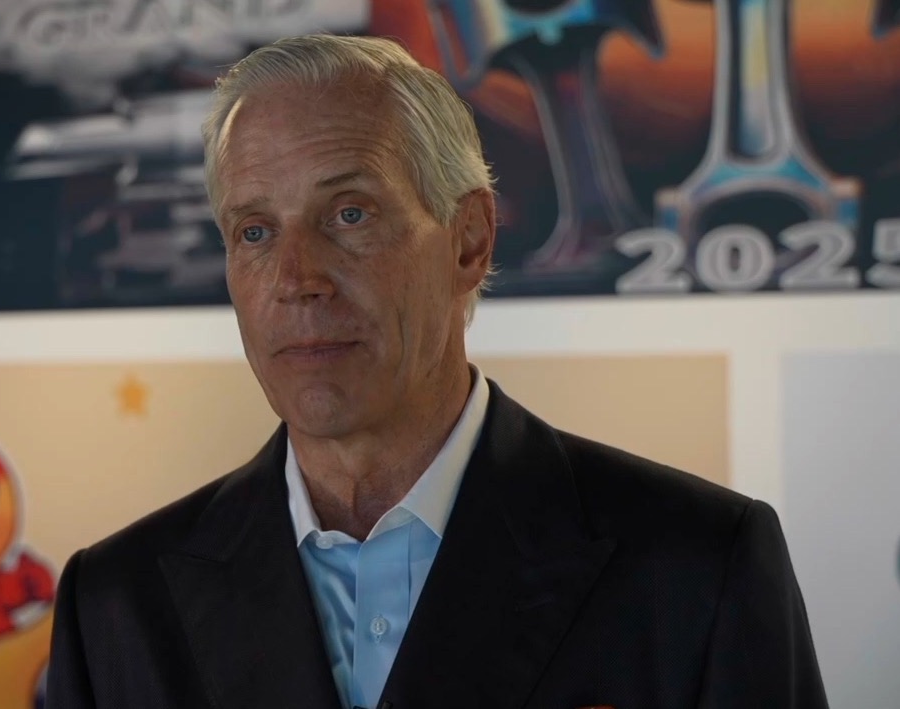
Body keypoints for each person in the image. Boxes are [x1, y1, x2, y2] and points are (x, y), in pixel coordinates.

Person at [45, 34, 826, 709]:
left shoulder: (697, 564)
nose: (295, 278)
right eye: (254, 231)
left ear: (469, 240)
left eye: (348, 214)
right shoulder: (115, 601)